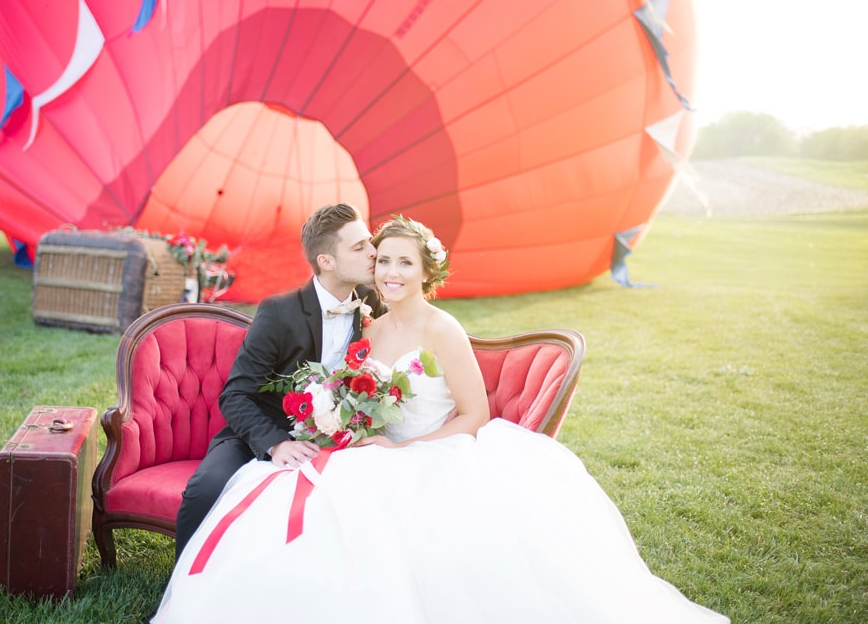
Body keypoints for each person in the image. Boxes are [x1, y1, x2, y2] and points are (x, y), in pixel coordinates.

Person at [155, 216, 730, 623]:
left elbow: (476, 412)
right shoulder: (370, 327)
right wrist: (354, 429)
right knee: (289, 505)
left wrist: (409, 449)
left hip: (433, 449)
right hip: (366, 448)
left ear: (427, 272)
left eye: (403, 262)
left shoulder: (442, 328)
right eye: (382, 260)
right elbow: (342, 392)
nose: (389, 271)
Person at [173, 203, 385, 558]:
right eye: (359, 246)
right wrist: (275, 445)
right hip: (264, 430)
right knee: (205, 490)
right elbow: (236, 394)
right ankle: (181, 593)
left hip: (341, 439)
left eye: (370, 242)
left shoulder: (369, 301)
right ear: (326, 261)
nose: (373, 252)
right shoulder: (278, 312)